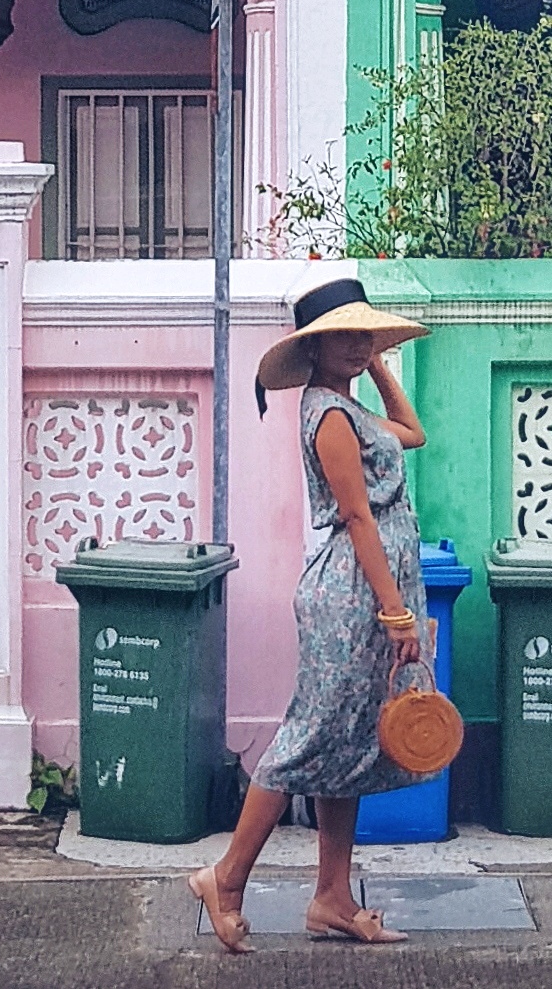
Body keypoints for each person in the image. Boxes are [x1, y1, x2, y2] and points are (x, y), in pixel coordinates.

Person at [189, 275, 432, 952]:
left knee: (347, 745)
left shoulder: (348, 407)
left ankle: (332, 897)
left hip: (370, 593)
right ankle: (227, 876)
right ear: (315, 347)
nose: (357, 345)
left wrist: (377, 361)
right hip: (353, 595)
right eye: (344, 336)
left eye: (365, 333)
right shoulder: (326, 414)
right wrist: (394, 611)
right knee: (310, 738)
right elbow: (357, 514)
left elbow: (412, 431)